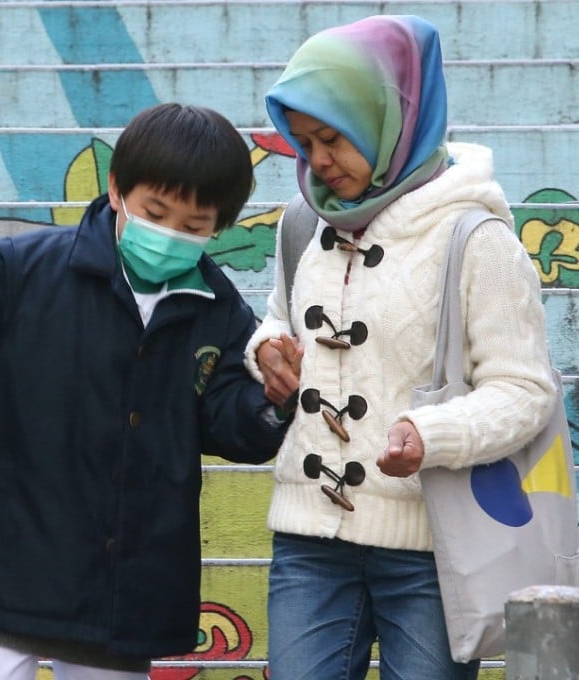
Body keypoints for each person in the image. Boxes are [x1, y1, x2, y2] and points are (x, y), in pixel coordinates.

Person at [0, 103, 289, 680]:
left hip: (124, 576)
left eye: (194, 227)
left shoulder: (222, 315)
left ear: (219, 227)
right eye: (155, 211)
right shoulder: (30, 270)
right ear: (117, 188)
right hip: (10, 551)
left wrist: (270, 402)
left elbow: (227, 421)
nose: (170, 234)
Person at [244, 14, 558, 679]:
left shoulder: (476, 238)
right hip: (308, 542)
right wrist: (268, 350)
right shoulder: (304, 222)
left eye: (333, 138)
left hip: (431, 547)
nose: (318, 161)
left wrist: (430, 432)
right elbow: (277, 318)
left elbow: (527, 390)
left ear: (391, 120)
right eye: (303, 143)